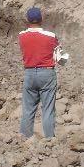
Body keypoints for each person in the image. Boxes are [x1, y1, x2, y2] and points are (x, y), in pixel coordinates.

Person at [18, 7, 59, 139]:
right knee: (48, 110)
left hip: (29, 73)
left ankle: (25, 139)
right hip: (46, 73)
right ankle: (49, 140)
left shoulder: (22, 36)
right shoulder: (51, 36)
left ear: (27, 20)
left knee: (28, 110)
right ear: (42, 19)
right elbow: (61, 58)